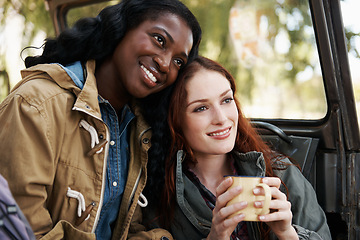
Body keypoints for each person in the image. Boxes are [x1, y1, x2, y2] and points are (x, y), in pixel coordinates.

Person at [0, 0, 201, 239]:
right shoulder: (36, 104)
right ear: (122, 27)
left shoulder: (139, 130)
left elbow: (127, 229)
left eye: (179, 61)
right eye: (159, 40)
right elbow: (24, 230)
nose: (166, 64)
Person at [139, 56, 331, 240]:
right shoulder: (158, 192)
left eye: (226, 100)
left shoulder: (281, 172)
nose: (221, 118)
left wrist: (287, 234)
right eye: (201, 108)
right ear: (176, 120)